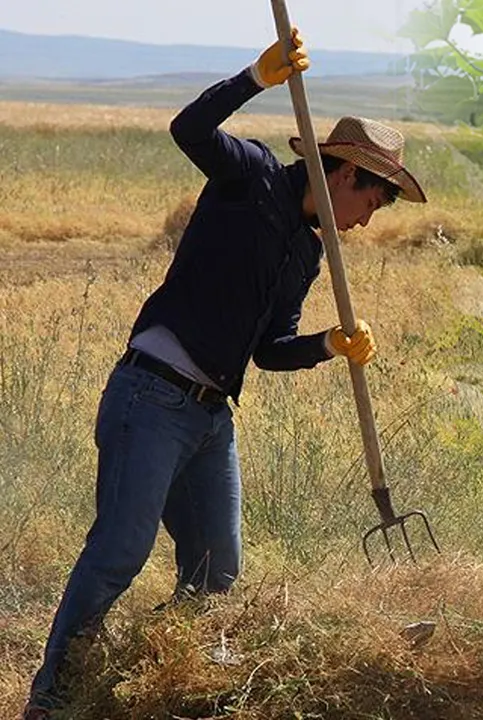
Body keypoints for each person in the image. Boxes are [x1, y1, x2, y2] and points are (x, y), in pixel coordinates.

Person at [23, 28, 426, 718]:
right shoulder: (251, 176)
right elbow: (188, 128)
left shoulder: (307, 254)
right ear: (345, 175)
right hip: (150, 393)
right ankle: (51, 698)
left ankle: (156, 685)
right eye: (370, 203)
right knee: (120, 550)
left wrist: (329, 343)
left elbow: (269, 349)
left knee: (216, 574)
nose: (366, 221)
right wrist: (254, 78)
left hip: (210, 418)